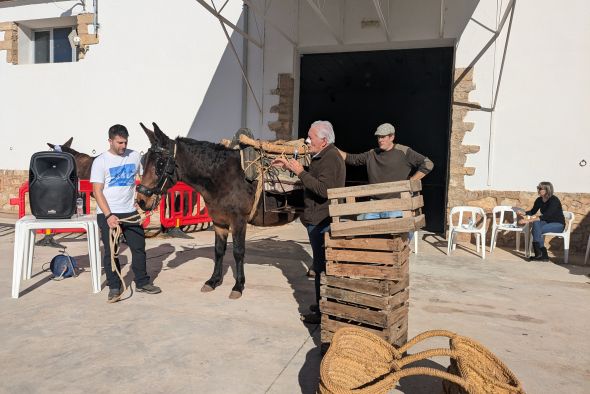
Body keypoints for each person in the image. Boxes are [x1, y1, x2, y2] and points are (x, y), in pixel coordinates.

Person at [272, 120, 345, 325]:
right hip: (318, 217)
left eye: (310, 137)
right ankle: (322, 304)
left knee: (322, 266)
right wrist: (291, 166)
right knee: (320, 264)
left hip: (323, 219)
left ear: (323, 140)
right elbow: (316, 178)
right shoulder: (323, 155)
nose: (307, 140)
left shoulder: (330, 158)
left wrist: (300, 172)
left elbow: (324, 189)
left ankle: (323, 313)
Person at [91, 124, 162, 302]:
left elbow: (144, 178)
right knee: (111, 251)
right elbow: (97, 191)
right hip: (109, 213)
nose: (123, 146)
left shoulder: (134, 156)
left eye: (125, 142)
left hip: (129, 211)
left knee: (139, 248)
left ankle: (142, 282)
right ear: (110, 141)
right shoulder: (101, 161)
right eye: (119, 142)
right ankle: (114, 286)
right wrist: (108, 215)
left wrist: (145, 200)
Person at [338, 122, 434, 220]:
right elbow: (352, 159)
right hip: (374, 205)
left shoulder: (403, 152)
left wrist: (412, 180)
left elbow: (428, 164)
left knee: (400, 231)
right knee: (366, 230)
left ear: (392, 137)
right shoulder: (372, 154)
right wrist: (332, 148)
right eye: (379, 137)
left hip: (396, 205)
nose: (380, 140)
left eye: (383, 137)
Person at [517, 182, 565, 261]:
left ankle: (540, 254)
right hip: (546, 222)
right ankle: (542, 255)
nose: (538, 190)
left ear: (547, 190)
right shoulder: (539, 200)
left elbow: (546, 216)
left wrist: (528, 220)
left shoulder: (554, 200)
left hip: (558, 224)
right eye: (538, 188)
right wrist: (524, 213)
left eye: (540, 188)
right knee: (536, 224)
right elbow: (533, 211)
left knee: (536, 229)